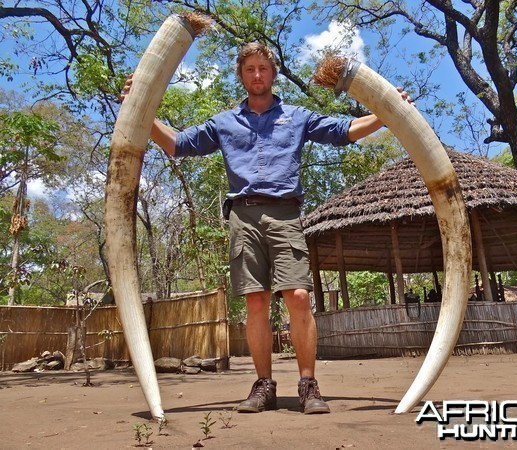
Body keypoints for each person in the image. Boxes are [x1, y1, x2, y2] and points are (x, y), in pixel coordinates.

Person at [122, 42, 412, 414]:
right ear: (241, 76)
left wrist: (388, 113)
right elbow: (177, 144)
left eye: (263, 68)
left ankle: (308, 385)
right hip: (243, 216)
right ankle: (263, 386)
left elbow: (344, 131)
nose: (257, 75)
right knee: (255, 301)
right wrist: (139, 105)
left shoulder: (297, 117)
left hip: (285, 214)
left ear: (273, 73)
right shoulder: (224, 123)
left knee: (299, 297)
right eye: (249, 70)